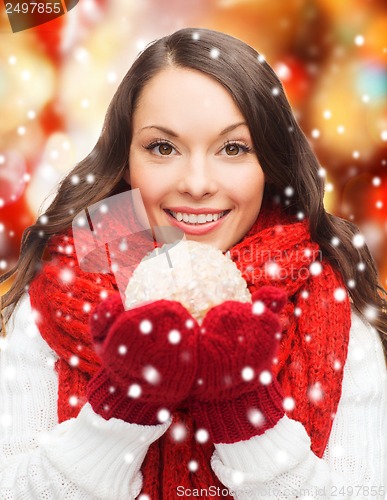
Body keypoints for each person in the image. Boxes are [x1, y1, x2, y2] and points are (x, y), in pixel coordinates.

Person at [1, 27, 386, 499]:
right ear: (126, 161)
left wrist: (246, 413)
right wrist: (123, 401)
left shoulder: (330, 304)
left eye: (233, 148)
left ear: (270, 163)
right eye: (163, 147)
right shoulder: (56, 297)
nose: (198, 183)